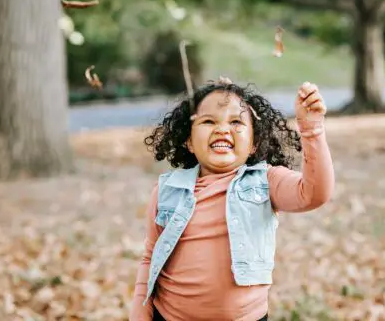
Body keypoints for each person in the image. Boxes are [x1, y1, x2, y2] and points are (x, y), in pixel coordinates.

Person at [129, 78, 335, 321]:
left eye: (236, 121)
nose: (222, 129)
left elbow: (314, 194)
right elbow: (150, 257)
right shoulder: (168, 189)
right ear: (188, 141)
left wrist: (313, 131)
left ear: (253, 143)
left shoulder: (265, 181)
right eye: (208, 121)